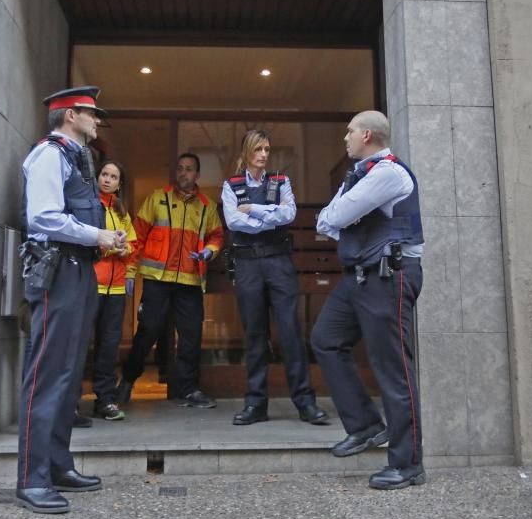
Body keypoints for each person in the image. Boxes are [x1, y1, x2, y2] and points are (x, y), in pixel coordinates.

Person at [15, 86, 127, 514]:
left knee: (66, 374)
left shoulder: (77, 160)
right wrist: (96, 234)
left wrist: (100, 238)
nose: (97, 119)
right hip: (58, 271)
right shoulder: (49, 154)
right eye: (91, 113)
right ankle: (31, 478)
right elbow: (42, 216)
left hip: (78, 270)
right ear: (69, 115)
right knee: (47, 375)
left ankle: (58, 465)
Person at [310, 110, 426, 491]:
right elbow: (324, 223)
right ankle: (366, 426)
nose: (345, 137)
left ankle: (407, 465)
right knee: (325, 339)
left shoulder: (388, 173)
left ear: (369, 135)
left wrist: (340, 215)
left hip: (388, 277)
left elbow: (339, 214)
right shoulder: (360, 174)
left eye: (350, 131)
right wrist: (338, 216)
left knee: (394, 369)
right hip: (359, 276)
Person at [221, 130, 328, 426]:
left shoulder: (281, 181)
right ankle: (256, 404)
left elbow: (288, 215)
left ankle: (305, 403)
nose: (264, 154)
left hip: (279, 263)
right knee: (255, 335)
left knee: (291, 332)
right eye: (259, 149)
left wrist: (254, 210)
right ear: (247, 152)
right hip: (247, 265)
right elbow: (233, 222)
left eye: (267, 149)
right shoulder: (231, 185)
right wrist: (270, 216)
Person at [116, 153, 224, 408]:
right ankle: (127, 382)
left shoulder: (207, 206)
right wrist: (130, 271)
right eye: (180, 168)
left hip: (190, 281)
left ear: (197, 175)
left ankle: (188, 389)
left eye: (189, 169)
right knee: (147, 332)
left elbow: (217, 236)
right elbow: (137, 237)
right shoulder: (157, 198)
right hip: (157, 280)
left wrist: (210, 250)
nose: (183, 173)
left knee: (191, 337)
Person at [90, 160, 137, 421]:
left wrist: (124, 249)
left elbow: (132, 243)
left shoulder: (121, 210)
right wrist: (110, 247)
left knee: (109, 346)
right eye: (104, 174)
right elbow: (88, 240)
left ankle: (105, 400)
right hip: (91, 284)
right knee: (81, 345)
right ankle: (72, 401)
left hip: (116, 288)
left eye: (113, 177)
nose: (107, 179)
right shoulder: (89, 205)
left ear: (120, 184)